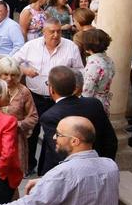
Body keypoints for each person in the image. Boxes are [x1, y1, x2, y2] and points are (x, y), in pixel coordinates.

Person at [13, 19, 83, 174]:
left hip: (61, 99)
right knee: (32, 132)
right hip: (35, 97)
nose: (56, 35)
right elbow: (14, 62)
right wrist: (25, 70)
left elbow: (79, 71)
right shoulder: (31, 46)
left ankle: (49, 169)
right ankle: (29, 164)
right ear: (43, 32)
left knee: (56, 135)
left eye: (59, 31)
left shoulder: (71, 47)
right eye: (52, 31)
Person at [39, 66, 117, 176]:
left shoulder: (50, 116)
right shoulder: (94, 104)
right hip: (98, 169)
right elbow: (111, 141)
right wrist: (104, 166)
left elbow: (59, 153)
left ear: (51, 89)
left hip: (66, 176)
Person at [0, 56, 38, 205]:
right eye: (6, 74)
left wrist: (14, 124)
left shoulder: (24, 92)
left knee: (11, 183)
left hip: (15, 142)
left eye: (13, 75)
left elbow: (33, 117)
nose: (9, 79)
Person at [80, 28, 115, 114]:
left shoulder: (94, 64)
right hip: (103, 102)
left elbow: (87, 90)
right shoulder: (109, 60)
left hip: (93, 105)